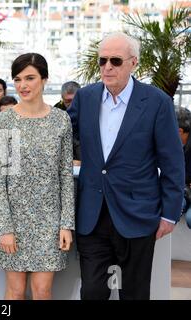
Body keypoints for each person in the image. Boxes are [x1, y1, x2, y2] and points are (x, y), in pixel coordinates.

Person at [67, 32, 184, 300]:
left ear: (133, 63)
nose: (107, 67)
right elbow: (59, 134)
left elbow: (172, 162)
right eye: (102, 60)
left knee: (135, 293)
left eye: (115, 61)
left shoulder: (157, 102)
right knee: (93, 292)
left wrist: (170, 213)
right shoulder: (86, 98)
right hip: (92, 214)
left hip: (137, 214)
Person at [0, 53, 75, 300]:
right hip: (13, 220)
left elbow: (65, 175)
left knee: (42, 291)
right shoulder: (3, 121)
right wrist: (5, 227)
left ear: (44, 79)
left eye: (30, 78)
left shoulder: (61, 120)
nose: (23, 85)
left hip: (49, 220)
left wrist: (65, 224)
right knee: (15, 292)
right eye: (18, 79)